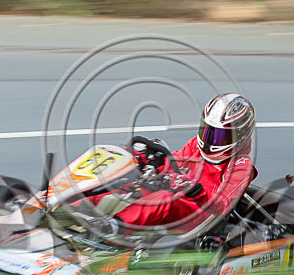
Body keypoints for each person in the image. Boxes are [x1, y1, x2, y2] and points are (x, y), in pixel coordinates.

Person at [79, 93, 257, 235]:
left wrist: (196, 191)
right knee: (128, 184)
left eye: (219, 136)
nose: (210, 140)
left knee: (164, 199)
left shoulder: (241, 165)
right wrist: (150, 159)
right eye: (208, 131)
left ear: (239, 136)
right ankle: (72, 207)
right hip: (180, 194)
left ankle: (110, 228)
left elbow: (223, 204)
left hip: (201, 214)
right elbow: (176, 161)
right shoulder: (196, 144)